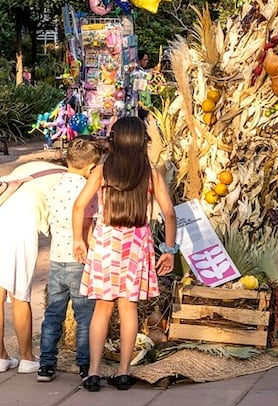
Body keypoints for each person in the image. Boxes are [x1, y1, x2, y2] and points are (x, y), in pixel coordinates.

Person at [72, 117, 177, 392]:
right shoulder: (150, 173)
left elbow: (79, 206)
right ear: (142, 141)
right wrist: (169, 250)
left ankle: (93, 372)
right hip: (136, 244)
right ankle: (123, 372)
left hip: (106, 243)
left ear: (114, 140)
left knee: (102, 309)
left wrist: (79, 240)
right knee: (128, 308)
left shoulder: (103, 171)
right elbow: (169, 213)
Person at [37, 136, 104, 383]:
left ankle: (46, 365)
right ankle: (86, 365)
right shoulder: (87, 191)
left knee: (53, 313)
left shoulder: (56, 185)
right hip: (80, 260)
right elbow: (88, 222)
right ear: (90, 168)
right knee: (85, 315)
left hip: (56, 259)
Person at [0, 159, 70, 374]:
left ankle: (1, 356)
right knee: (20, 294)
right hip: (20, 227)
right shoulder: (69, 179)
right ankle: (27, 358)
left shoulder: (33, 167)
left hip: (3, 217)